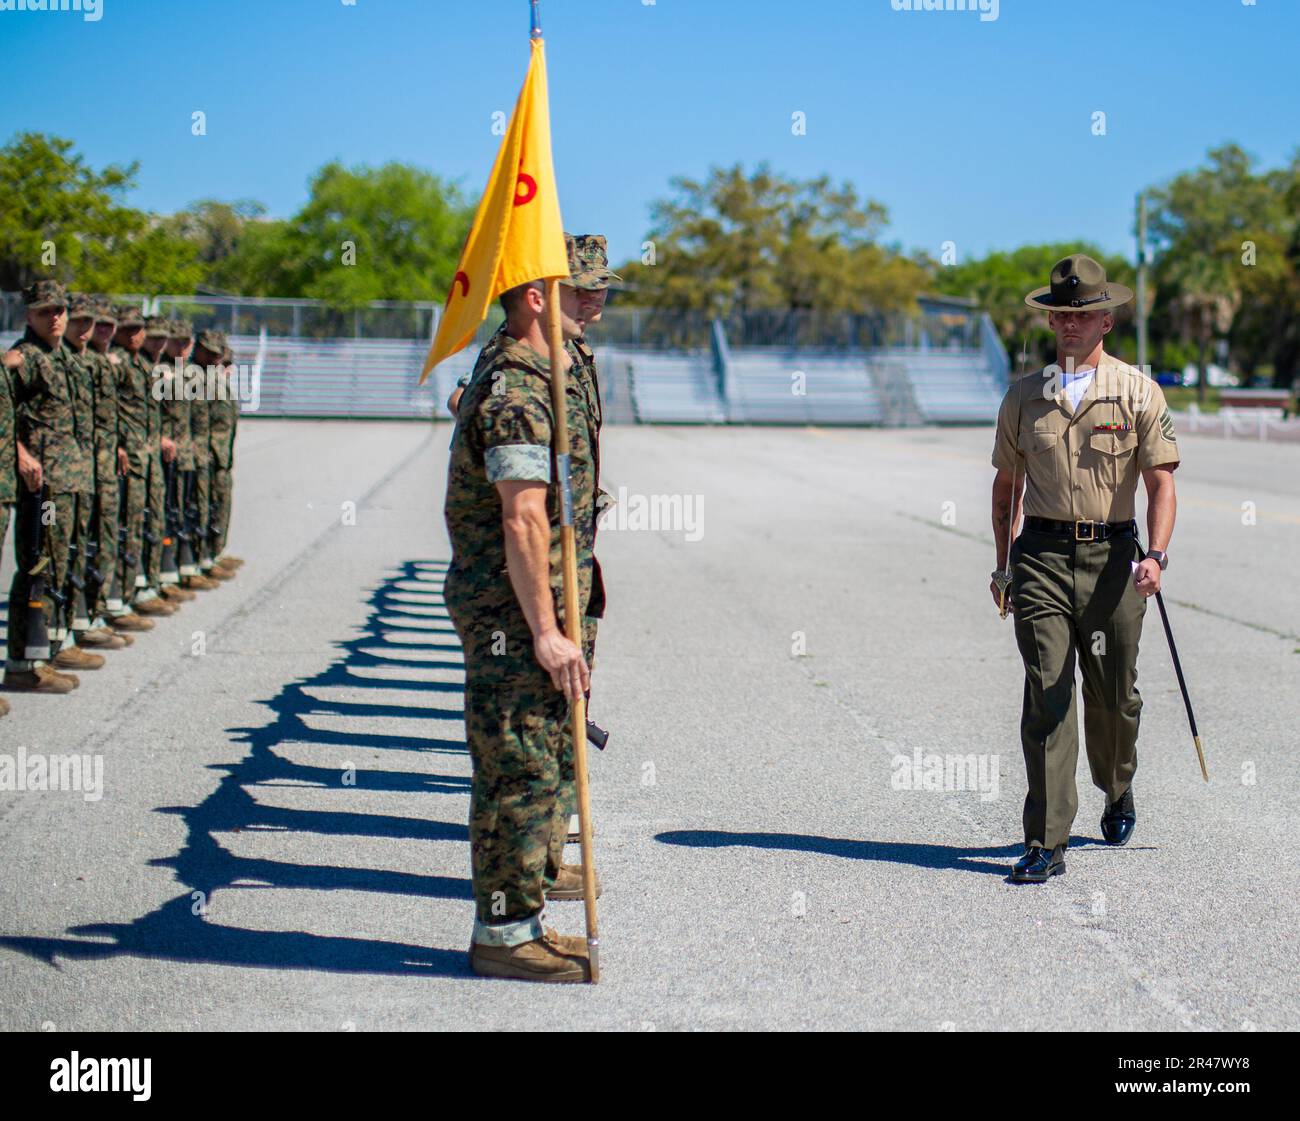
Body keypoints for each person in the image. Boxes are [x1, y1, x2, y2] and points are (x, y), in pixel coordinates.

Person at [990, 254, 1180, 883]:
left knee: (1113, 698)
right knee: (1047, 696)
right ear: (1050, 321)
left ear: (1106, 320)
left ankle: (1116, 785)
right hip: (1040, 558)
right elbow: (1006, 487)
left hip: (1114, 561)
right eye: (1060, 315)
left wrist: (1155, 555)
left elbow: (1160, 483)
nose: (1070, 325)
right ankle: (1046, 841)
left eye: (1084, 315)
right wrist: (1002, 566)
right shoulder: (1023, 397)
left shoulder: (1137, 392)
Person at [444, 274, 601, 982]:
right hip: (510, 612)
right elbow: (522, 516)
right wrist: (545, 630)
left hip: (529, 600)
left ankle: (521, 920)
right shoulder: (515, 390)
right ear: (536, 296)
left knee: (536, 760)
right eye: (574, 291)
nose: (594, 306)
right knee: (518, 766)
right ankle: (504, 936)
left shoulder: (539, 374)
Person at [2, 280, 89, 695]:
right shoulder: (27, 358)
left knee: (58, 562)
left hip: (67, 478)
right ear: (28, 317)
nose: (54, 317)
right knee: (38, 565)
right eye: (44, 311)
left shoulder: (64, 359)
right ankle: (23, 663)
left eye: (59, 310)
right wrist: (19, 452)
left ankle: (46, 652)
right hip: (42, 485)